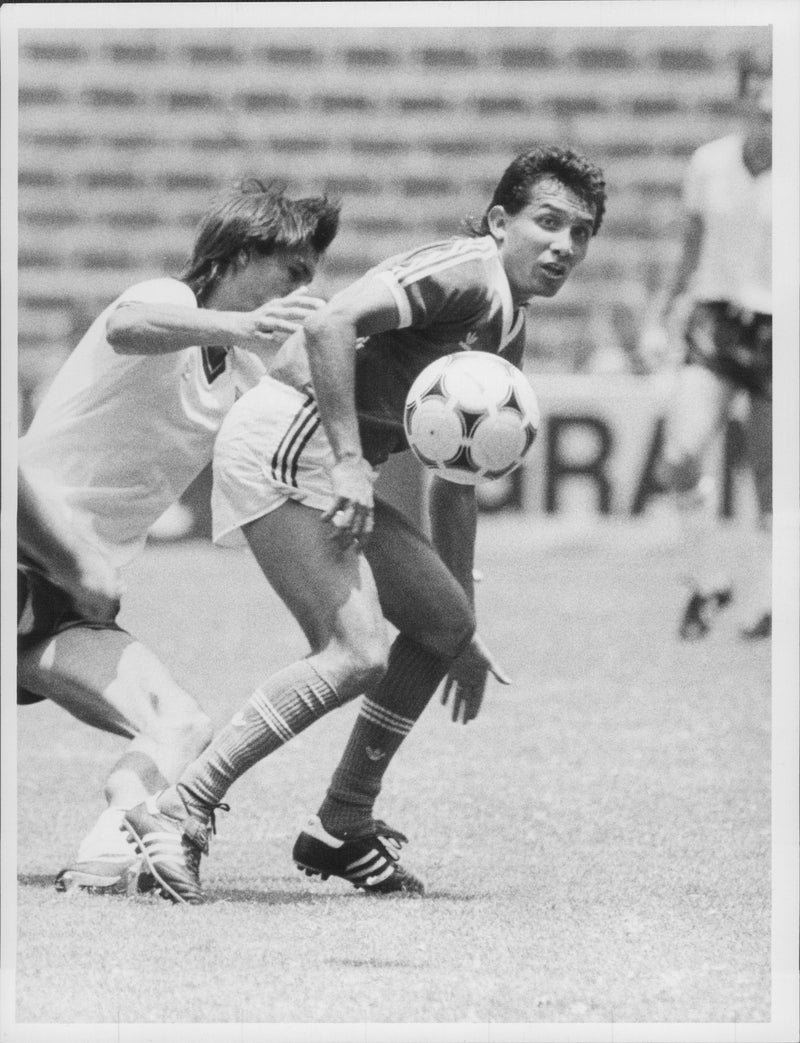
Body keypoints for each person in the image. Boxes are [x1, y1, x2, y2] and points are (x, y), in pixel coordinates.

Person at [121, 144, 607, 905]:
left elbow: (458, 485)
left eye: (581, 234)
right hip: (288, 436)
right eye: (548, 223)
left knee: (444, 627)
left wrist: (463, 612)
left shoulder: (508, 330)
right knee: (355, 652)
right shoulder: (464, 271)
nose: (564, 247)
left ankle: (342, 823)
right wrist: (352, 460)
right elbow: (328, 326)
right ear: (500, 219)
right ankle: (179, 807)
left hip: (329, 458)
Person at [17, 180, 340, 893]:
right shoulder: (170, 299)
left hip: (65, 601)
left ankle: (104, 856)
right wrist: (238, 329)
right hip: (23, 549)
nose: (299, 291)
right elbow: (127, 326)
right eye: (292, 272)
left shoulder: (242, 373)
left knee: (182, 727)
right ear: (236, 255)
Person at [639, 54, 772, 640]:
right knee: (679, 455)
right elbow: (690, 248)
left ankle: (766, 604)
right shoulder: (710, 163)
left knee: (772, 481)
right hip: (717, 322)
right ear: (743, 97)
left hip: (780, 325)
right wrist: (660, 315)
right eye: (759, 92)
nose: (768, 105)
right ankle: (709, 578)